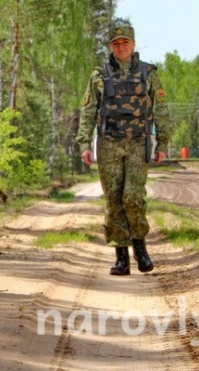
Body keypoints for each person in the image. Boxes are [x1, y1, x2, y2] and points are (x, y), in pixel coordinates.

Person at [77, 22, 171, 276]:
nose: (121, 47)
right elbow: (88, 112)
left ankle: (140, 247)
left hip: (138, 144)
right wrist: (84, 143)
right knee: (114, 200)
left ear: (133, 43)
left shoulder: (148, 73)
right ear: (110, 46)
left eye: (125, 42)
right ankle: (121, 258)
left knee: (132, 197)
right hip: (108, 145)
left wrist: (163, 143)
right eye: (115, 43)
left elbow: (160, 110)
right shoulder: (99, 75)